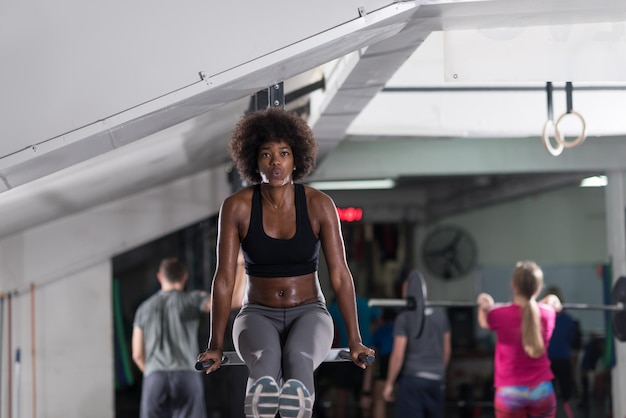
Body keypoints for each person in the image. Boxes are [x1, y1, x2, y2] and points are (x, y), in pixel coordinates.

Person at [196, 107, 375, 418]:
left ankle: (298, 406)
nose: (275, 161)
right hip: (257, 314)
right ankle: (259, 403)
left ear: (296, 159)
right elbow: (224, 279)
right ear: (253, 160)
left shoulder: (320, 205)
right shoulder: (236, 207)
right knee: (265, 361)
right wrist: (215, 343)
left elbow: (341, 275)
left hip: (309, 311)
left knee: (299, 357)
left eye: (283, 153)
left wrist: (356, 339)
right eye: (266, 154)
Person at [476, 260, 562, 418]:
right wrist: (552, 298)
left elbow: (483, 322)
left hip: (510, 392)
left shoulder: (498, 314)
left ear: (513, 284)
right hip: (541, 391)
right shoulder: (548, 313)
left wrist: (483, 301)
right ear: (538, 287)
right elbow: (547, 306)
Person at [131, 257, 212, 418]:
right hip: (186, 374)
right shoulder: (192, 299)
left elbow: (137, 354)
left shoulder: (144, 308)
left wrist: (151, 371)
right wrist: (239, 266)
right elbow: (220, 304)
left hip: (154, 376)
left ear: (160, 277)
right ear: (185, 277)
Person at [382, 275, 451, 418]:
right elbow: (447, 351)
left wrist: (389, 384)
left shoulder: (404, 318)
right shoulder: (441, 316)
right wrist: (438, 371)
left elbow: (397, 355)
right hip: (436, 380)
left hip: (413, 380)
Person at [327, 293, 381, 418]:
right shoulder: (366, 304)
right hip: (366, 352)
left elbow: (323, 321)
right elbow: (380, 319)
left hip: (344, 353)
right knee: (366, 393)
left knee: (342, 393)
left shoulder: (336, 306)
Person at [543, 286, 579, 418]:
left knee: (549, 397)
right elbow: (571, 340)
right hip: (559, 360)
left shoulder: (542, 319)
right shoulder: (568, 320)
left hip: (549, 361)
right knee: (566, 397)